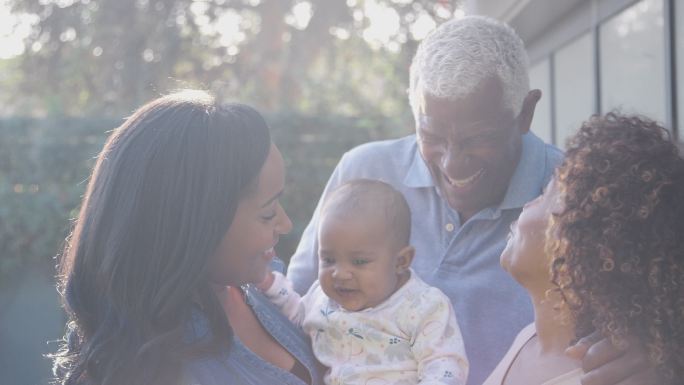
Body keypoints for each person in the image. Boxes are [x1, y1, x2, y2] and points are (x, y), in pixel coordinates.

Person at [286, 15, 659, 385]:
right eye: (432, 136)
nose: (452, 163)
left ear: (525, 112)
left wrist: (663, 351)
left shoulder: (574, 201)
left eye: (477, 138)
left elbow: (659, 310)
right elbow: (294, 304)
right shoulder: (363, 172)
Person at [51, 90, 324, 385]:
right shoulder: (148, 366)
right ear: (197, 225)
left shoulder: (264, 288)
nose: (285, 224)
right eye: (267, 213)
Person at [486, 113, 684, 384]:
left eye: (546, 194)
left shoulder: (604, 376)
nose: (528, 204)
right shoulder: (528, 338)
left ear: (585, 245)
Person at [260, 179, 468, 385]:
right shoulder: (322, 298)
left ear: (401, 262)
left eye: (359, 262)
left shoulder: (424, 306)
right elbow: (297, 320)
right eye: (329, 260)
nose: (340, 274)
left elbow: (445, 365)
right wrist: (272, 286)